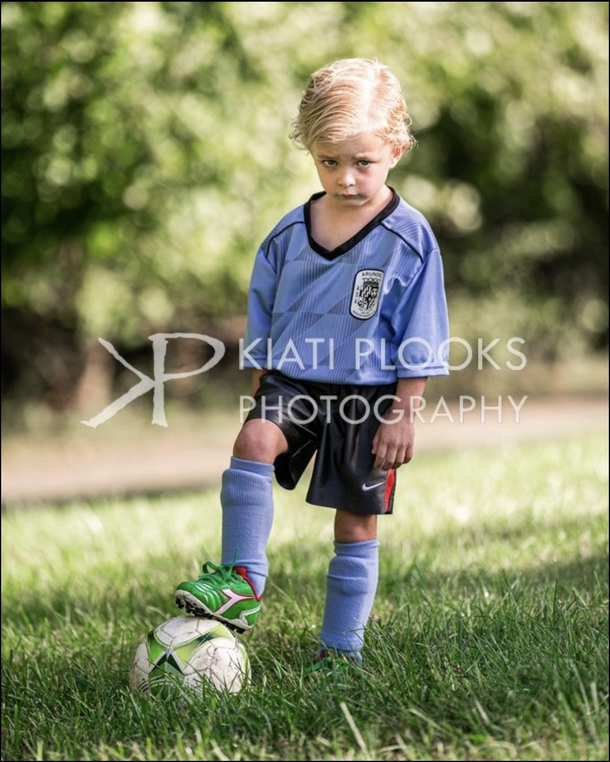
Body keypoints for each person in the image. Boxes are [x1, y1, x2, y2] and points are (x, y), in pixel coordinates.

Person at [174, 57, 450, 673]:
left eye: (362, 162)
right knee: (253, 437)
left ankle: (340, 649)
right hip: (294, 379)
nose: (346, 178)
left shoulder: (409, 238)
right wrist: (259, 385)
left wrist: (403, 416)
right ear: (309, 152)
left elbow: (422, 333)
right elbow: (263, 319)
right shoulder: (287, 235)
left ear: (396, 150)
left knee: (354, 526)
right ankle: (242, 578)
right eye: (329, 161)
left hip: (371, 394)